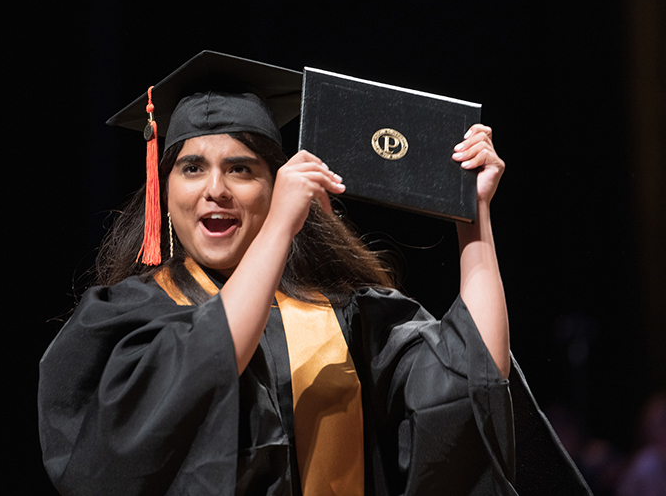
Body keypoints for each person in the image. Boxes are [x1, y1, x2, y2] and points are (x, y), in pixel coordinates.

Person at [38, 51, 592, 495]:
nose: (215, 190)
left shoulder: (340, 317)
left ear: (274, 185)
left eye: (242, 169)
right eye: (191, 168)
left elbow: (473, 379)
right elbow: (181, 387)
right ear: (164, 190)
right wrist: (279, 226)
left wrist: (473, 219)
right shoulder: (126, 322)